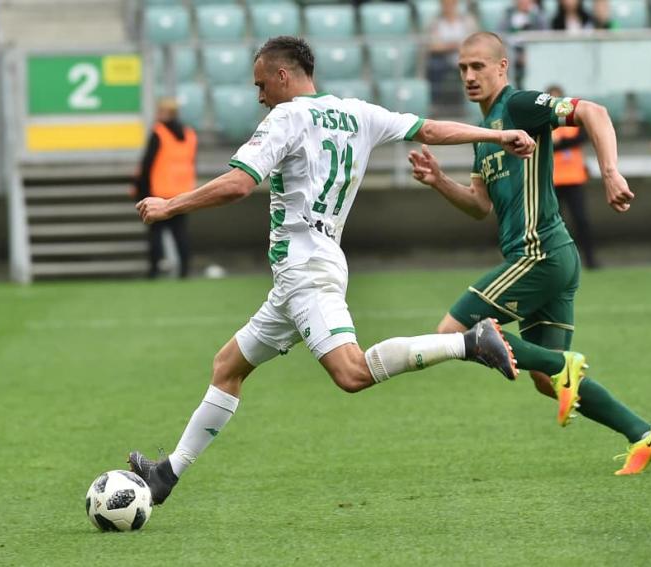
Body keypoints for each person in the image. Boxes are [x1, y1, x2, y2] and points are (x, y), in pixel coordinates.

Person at [126, 36, 547, 505]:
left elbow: (240, 184)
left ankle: (468, 341)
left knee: (351, 374)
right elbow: (429, 129)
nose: (259, 96)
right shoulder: (358, 113)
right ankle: (168, 475)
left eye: (261, 84)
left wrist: (170, 205)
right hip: (301, 275)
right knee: (228, 366)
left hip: (306, 270)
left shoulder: (286, 116)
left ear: (283, 76)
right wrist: (494, 135)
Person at [408, 32, 651, 475]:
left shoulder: (520, 105)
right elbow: (479, 206)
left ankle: (561, 362)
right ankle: (643, 434)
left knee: (452, 330)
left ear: (502, 67)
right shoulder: (482, 133)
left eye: (478, 67)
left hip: (539, 253)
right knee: (548, 384)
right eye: (463, 69)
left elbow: (594, 111)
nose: (470, 76)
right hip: (554, 257)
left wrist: (609, 172)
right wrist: (438, 182)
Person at [133, 98, 197, 279]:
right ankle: (184, 271)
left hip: (160, 192)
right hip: (183, 192)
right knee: (180, 234)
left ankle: (154, 270)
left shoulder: (158, 133)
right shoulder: (189, 134)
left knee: (156, 234)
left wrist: (140, 190)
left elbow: (147, 164)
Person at [548, 84, 598, 269]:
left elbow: (583, 136)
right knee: (556, 225)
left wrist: (560, 143)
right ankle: (559, 263)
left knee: (581, 220)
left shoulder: (572, 120)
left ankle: (591, 260)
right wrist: (561, 144)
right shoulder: (545, 121)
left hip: (574, 178)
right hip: (553, 179)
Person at [426, 0, 478, 110]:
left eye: (451, 3)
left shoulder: (467, 21)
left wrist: (453, 46)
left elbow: (474, 42)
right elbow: (433, 46)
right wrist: (452, 46)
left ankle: (471, 104)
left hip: (465, 57)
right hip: (443, 58)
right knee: (434, 66)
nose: (448, 6)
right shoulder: (435, 22)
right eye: (445, 4)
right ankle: (435, 104)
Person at [499, 0, 547, 89]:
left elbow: (545, 38)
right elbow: (501, 36)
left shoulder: (538, 17)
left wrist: (530, 53)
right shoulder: (508, 16)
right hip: (512, 55)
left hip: (534, 56)